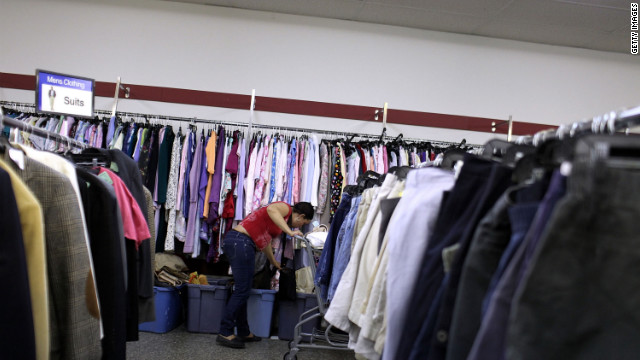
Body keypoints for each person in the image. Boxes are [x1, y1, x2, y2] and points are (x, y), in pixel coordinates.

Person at [216, 201, 314, 349]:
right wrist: (290, 232)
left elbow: (265, 240)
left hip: (242, 243)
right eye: (302, 223)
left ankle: (243, 331)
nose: (298, 227)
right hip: (240, 241)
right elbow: (271, 209)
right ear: (300, 216)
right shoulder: (285, 208)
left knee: (244, 290)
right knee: (242, 290)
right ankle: (225, 331)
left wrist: (273, 261)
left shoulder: (279, 223)